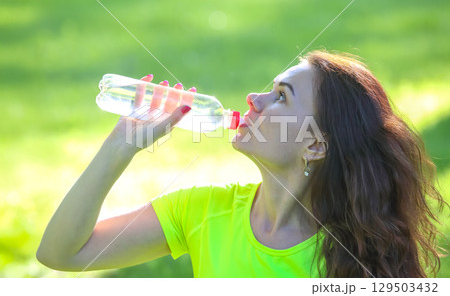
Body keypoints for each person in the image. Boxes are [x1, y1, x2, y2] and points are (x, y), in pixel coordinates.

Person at [37, 50, 447, 277]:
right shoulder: (199, 212)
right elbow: (61, 254)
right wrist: (121, 146)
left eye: (282, 97)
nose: (255, 99)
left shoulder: (351, 262)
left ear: (315, 145)